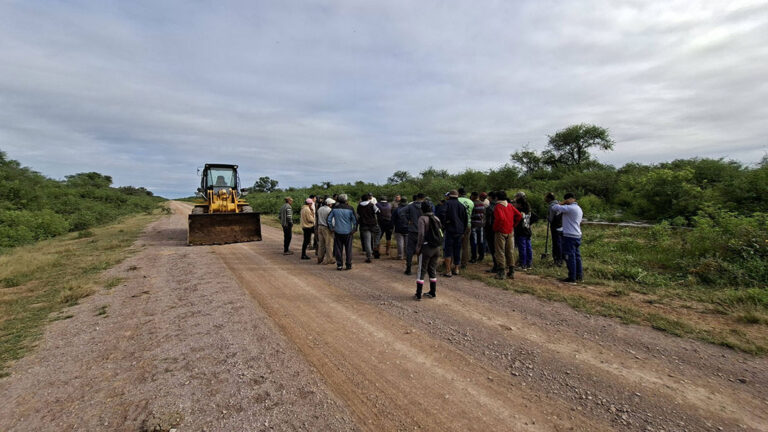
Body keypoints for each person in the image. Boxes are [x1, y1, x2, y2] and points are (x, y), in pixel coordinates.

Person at [549, 192, 583, 283]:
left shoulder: (570, 208)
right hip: (577, 235)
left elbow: (554, 207)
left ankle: (572, 277)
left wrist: (562, 202)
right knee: (577, 256)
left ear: (570, 199)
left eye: (567, 199)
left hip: (570, 236)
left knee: (569, 256)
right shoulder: (578, 208)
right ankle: (579, 275)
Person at [414, 201, 443, 300]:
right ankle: (432, 292)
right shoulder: (436, 218)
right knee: (432, 269)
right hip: (436, 248)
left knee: (421, 270)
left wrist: (418, 247)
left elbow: (421, 234)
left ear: (422, 209)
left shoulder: (422, 219)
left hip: (426, 248)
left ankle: (418, 294)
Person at [492, 191, 522, 280]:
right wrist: (513, 225)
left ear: (497, 198)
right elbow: (519, 215)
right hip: (510, 230)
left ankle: (501, 272)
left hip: (501, 231)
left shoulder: (498, 206)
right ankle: (511, 271)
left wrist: (495, 228)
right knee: (509, 251)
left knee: (500, 251)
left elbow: (500, 218)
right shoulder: (510, 205)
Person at [439, 190, 468, 277]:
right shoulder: (461, 206)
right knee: (457, 249)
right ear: (457, 196)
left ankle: (448, 270)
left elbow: (442, 215)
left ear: (449, 196)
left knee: (448, 250)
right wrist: (463, 231)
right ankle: (456, 269)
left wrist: (444, 224)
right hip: (459, 231)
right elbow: (465, 220)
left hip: (450, 230)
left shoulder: (446, 204)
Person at [327, 194, 357, 271]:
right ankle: (348, 265)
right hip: (348, 232)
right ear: (346, 200)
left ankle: (339, 265)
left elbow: (329, 219)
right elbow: (355, 220)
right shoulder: (350, 208)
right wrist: (354, 229)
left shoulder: (334, 208)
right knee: (348, 249)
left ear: (338, 200)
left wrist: (331, 228)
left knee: (338, 249)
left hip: (338, 231)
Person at [403, 193, 427, 275]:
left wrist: (408, 220)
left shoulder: (410, 206)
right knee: (422, 250)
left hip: (412, 230)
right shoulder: (426, 205)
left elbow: (400, 213)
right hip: (423, 231)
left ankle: (408, 268)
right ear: (424, 198)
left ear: (416, 197)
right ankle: (421, 269)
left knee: (410, 249)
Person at [513, 192, 536, 270]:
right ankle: (529, 264)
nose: (515, 204)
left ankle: (522, 264)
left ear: (519, 204)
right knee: (528, 247)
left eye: (516, 203)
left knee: (522, 248)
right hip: (527, 230)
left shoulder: (519, 211)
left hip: (521, 231)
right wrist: (529, 223)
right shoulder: (528, 210)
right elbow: (535, 217)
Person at [356, 193, 379, 263]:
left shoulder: (359, 206)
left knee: (367, 241)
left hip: (364, 225)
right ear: (369, 199)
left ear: (362, 199)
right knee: (378, 234)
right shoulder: (372, 205)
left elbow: (358, 216)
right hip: (373, 224)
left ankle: (369, 256)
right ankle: (376, 246)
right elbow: (378, 212)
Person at [545, 192, 564, 267]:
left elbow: (551, 219)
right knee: (560, 243)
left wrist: (548, 218)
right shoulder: (560, 204)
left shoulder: (551, 206)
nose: (545, 199)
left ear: (549, 198)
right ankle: (561, 259)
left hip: (555, 227)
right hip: (562, 226)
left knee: (556, 244)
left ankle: (557, 260)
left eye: (546, 197)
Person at [457, 188, 474, 269]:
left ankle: (454, 263)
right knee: (465, 245)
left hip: (457, 225)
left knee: (455, 244)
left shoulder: (456, 200)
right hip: (468, 225)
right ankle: (464, 264)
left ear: (458, 193)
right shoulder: (471, 202)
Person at [316, 198, 336, 265]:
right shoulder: (329, 210)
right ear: (329, 204)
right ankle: (329, 259)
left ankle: (320, 258)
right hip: (326, 228)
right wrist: (333, 228)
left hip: (320, 226)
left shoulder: (320, 209)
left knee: (321, 244)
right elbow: (331, 221)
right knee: (329, 244)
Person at [484, 191, 499, 273]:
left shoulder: (489, 208)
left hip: (491, 231)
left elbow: (488, 222)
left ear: (490, 198)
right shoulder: (499, 206)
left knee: (493, 249)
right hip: (499, 230)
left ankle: (496, 266)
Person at [469, 191, 486, 263]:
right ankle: (481, 256)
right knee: (481, 241)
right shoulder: (482, 204)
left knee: (474, 242)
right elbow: (484, 214)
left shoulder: (472, 204)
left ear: (473, 196)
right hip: (481, 225)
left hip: (474, 225)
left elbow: (472, 215)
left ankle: (474, 257)